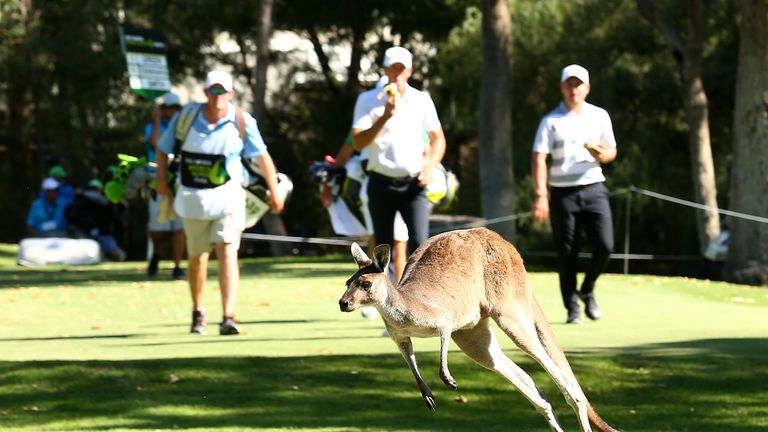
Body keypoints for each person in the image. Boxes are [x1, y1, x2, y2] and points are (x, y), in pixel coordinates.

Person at [155, 70, 284, 336]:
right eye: (213, 91)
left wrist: (275, 190)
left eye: (222, 91)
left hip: (228, 195)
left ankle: (228, 316)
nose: (218, 97)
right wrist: (161, 182)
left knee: (227, 250)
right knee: (197, 257)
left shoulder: (241, 120)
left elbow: (262, 156)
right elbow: (163, 147)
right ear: (205, 93)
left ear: (231, 94)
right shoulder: (187, 117)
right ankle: (198, 312)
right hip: (192, 198)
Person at [531, 64, 618, 324]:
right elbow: (538, 159)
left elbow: (612, 151)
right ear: (562, 87)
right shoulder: (550, 121)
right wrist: (540, 195)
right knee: (567, 252)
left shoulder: (599, 116)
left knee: (605, 245)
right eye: (569, 84)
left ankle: (587, 289)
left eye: (578, 84)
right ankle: (572, 308)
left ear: (587, 88)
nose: (573, 89)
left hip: (593, 187)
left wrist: (603, 155)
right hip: (562, 194)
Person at [351, 46, 446, 258]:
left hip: (413, 186)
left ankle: (421, 292)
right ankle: (381, 291)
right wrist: (385, 116)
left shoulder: (421, 100)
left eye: (401, 69)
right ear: (385, 70)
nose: (397, 74)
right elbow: (358, 143)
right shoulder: (367, 100)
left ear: (410, 71)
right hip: (380, 184)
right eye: (393, 68)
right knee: (382, 251)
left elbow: (438, 140)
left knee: (421, 247)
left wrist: (429, 168)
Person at [144, 91, 186, 280]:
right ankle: (157, 254)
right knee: (158, 228)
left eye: (176, 107)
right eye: (169, 107)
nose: (172, 111)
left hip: (179, 180)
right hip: (157, 179)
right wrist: (156, 121)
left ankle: (177, 266)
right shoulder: (153, 127)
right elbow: (156, 143)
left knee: (180, 227)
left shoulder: (183, 127)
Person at [66, 179, 126, 261]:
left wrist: (83, 193)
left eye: (95, 189)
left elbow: (102, 201)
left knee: (118, 255)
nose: (94, 191)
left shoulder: (104, 200)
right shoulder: (80, 201)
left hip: (103, 233)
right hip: (84, 233)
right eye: (92, 189)